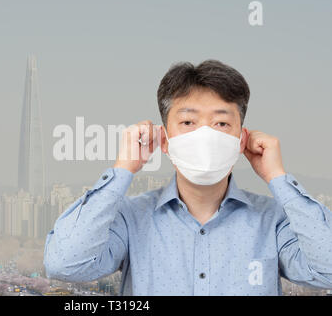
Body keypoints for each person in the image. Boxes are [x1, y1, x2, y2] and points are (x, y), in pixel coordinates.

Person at [43, 60, 332, 295]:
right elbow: (65, 264)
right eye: (188, 122)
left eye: (221, 122)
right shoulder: (131, 218)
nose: (204, 135)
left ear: (241, 139)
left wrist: (277, 177)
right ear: (165, 141)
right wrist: (122, 169)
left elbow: (327, 270)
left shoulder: (273, 220)